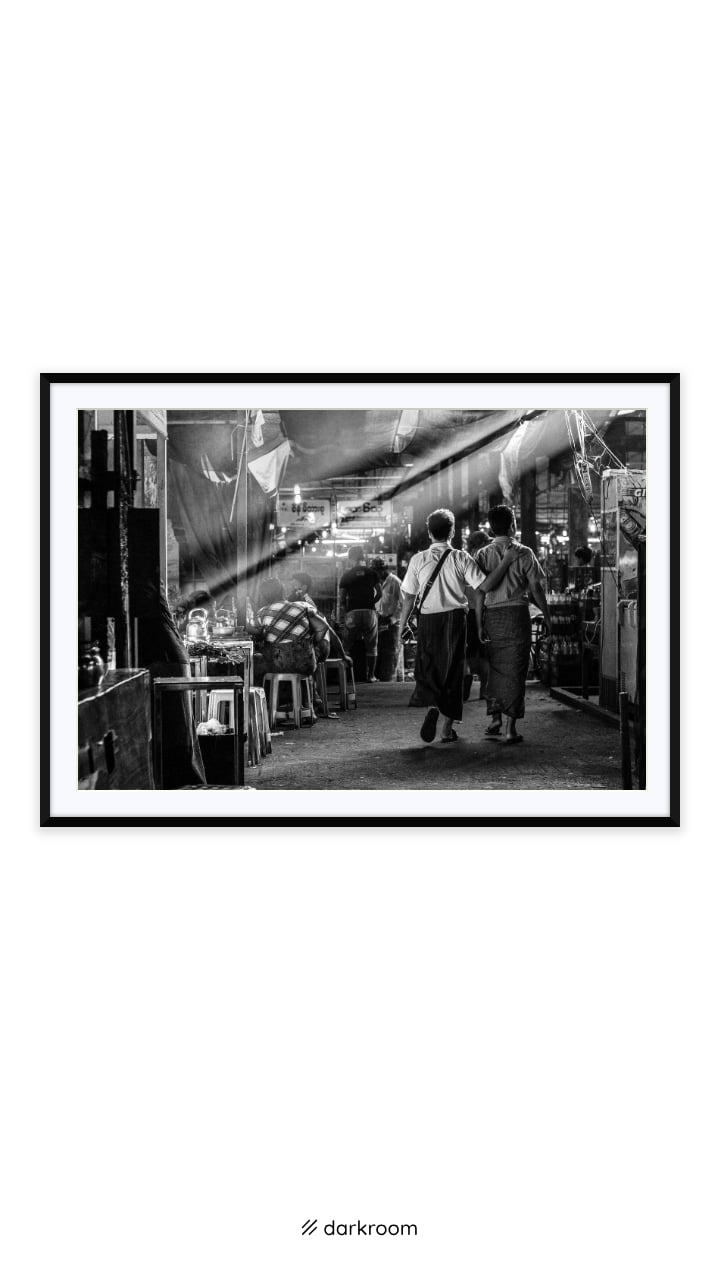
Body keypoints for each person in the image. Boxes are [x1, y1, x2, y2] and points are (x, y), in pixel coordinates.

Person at [398, 509, 518, 744]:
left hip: (427, 620)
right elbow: (484, 585)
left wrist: (402, 626)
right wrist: (506, 562)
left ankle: (433, 706)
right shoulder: (460, 558)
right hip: (454, 620)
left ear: (429, 532)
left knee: (430, 666)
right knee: (453, 671)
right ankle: (446, 729)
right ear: (452, 531)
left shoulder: (418, 559)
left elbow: (409, 597)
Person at [475, 504, 551, 744]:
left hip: (492, 617)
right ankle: (510, 729)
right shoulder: (524, 552)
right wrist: (547, 615)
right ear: (512, 525)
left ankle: (495, 719)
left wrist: (479, 623)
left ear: (491, 528)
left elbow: (479, 592)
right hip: (517, 617)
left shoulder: (482, 554)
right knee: (516, 672)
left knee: (495, 669)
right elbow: (536, 588)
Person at [339, 545, 382, 681]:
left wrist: (346, 610)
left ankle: (345, 676)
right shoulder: (372, 573)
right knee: (372, 645)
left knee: (346, 645)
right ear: (362, 557)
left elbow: (342, 598)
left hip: (353, 613)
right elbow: (379, 593)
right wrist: (370, 603)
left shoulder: (347, 575)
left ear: (350, 558)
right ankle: (371, 676)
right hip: (369, 612)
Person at [371, 556, 403, 681]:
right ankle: (378, 680)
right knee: (377, 653)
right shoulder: (374, 583)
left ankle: (389, 680)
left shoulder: (395, 582)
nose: (376, 573)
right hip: (378, 622)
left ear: (384, 569)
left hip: (392, 625)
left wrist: (392, 619)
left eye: (378, 570)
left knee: (390, 653)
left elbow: (403, 604)